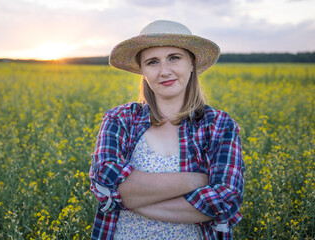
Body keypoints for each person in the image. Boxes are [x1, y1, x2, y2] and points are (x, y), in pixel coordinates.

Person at [89, 20, 245, 240]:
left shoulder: (219, 125)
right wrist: (197, 180)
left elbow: (224, 202)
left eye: (174, 58)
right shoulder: (120, 119)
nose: (164, 71)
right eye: (152, 62)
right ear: (143, 71)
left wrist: (130, 199)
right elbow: (105, 184)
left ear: (191, 63)